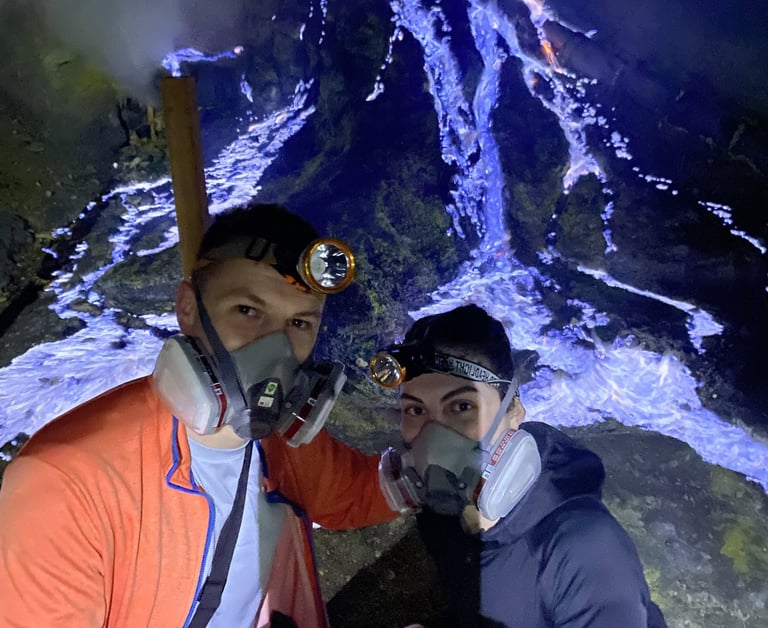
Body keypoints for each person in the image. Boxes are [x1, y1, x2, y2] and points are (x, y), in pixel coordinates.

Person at [0, 202, 396, 628]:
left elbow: (356, 494)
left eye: (299, 324)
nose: (275, 348)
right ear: (188, 308)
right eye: (247, 311)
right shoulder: (65, 481)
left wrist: (429, 463)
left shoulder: (287, 447)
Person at [370, 304, 667, 628]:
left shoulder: (584, 548)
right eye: (415, 410)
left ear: (513, 411)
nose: (434, 438)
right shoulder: (443, 520)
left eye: (462, 406)